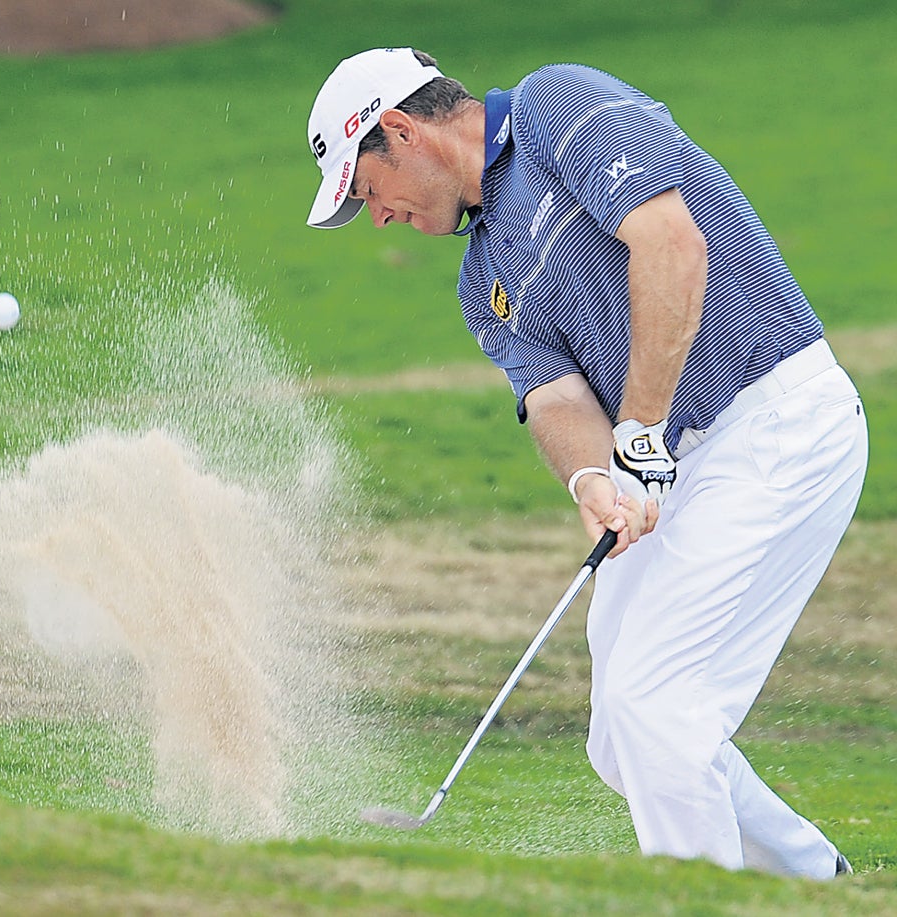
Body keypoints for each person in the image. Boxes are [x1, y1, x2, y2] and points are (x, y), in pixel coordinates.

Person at [304, 47, 866, 879]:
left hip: (777, 419)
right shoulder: (480, 280)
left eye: (366, 191)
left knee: (657, 711)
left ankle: (700, 900)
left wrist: (638, 430)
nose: (376, 217)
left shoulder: (553, 107)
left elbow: (671, 243)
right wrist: (593, 478)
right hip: (679, 468)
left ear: (400, 129)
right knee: (621, 737)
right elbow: (558, 399)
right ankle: (814, 883)